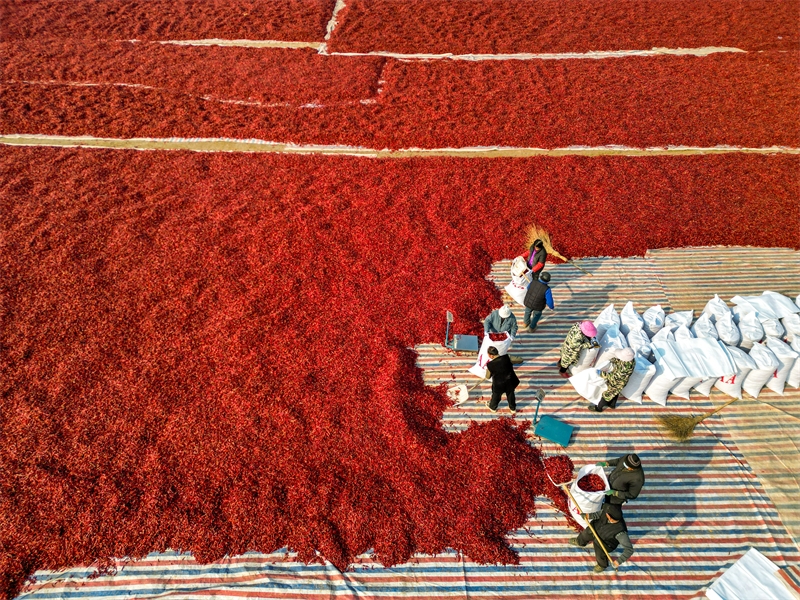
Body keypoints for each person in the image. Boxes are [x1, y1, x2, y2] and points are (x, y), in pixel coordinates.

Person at [569, 503, 634, 573]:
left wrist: (618, 562)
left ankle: (602, 565)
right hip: (595, 528)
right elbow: (598, 514)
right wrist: (588, 516)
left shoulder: (621, 532)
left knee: (600, 554)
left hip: (605, 543)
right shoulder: (607, 510)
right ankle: (580, 542)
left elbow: (629, 549)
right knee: (585, 534)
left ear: (609, 516)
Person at [590, 347, 636, 412]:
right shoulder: (632, 361)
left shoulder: (623, 369)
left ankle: (598, 408)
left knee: (607, 395)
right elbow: (620, 361)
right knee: (616, 393)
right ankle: (612, 404)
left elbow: (613, 376)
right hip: (623, 382)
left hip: (617, 383)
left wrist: (601, 374)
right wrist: (613, 360)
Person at [486, 346, 520, 413]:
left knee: (496, 396)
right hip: (510, 381)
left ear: (491, 355)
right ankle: (513, 409)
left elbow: (487, 377)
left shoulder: (490, 365)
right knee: (510, 394)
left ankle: (493, 407)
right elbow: (520, 359)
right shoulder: (507, 357)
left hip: (499, 384)